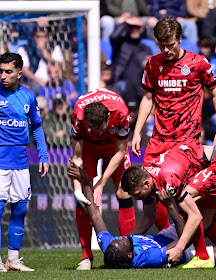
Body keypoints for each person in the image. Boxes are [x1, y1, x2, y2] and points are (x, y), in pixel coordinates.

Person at [131, 16, 216, 250]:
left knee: (195, 202)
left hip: (186, 143)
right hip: (157, 143)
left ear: (180, 39)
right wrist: (137, 132)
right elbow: (147, 98)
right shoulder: (153, 64)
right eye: (162, 45)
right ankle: (127, 244)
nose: (166, 50)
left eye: (171, 44)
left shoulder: (198, 63)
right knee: (149, 200)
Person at [67, 160, 216, 269]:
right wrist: (169, 206)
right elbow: (183, 239)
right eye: (123, 242)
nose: (121, 238)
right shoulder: (149, 257)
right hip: (181, 249)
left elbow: (94, 213)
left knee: (212, 208)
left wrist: (85, 180)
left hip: (167, 236)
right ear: (129, 254)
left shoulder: (111, 246)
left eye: (115, 240)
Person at [122, 143, 216, 268]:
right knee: (205, 221)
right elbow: (148, 218)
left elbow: (195, 216)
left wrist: (179, 249)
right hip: (214, 162)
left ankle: (202, 257)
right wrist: (124, 242)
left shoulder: (167, 180)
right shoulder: (148, 180)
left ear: (146, 184)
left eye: (137, 194)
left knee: (187, 208)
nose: (136, 198)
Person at [70, 88, 135, 270]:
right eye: (94, 130)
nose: (98, 133)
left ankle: (129, 253)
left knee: (124, 191)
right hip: (88, 150)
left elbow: (121, 151)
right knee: (84, 199)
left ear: (108, 117)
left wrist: (101, 181)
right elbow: (77, 158)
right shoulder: (78, 116)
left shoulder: (121, 113)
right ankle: (86, 257)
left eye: (101, 128)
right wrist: (77, 190)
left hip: (113, 148)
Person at [0, 52, 49, 272]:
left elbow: (36, 127)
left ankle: (13, 259)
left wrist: (44, 156)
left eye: (8, 72)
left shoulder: (28, 96)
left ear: (20, 73)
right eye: (0, 71)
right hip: (0, 162)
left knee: (19, 210)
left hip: (20, 162)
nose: (3, 76)